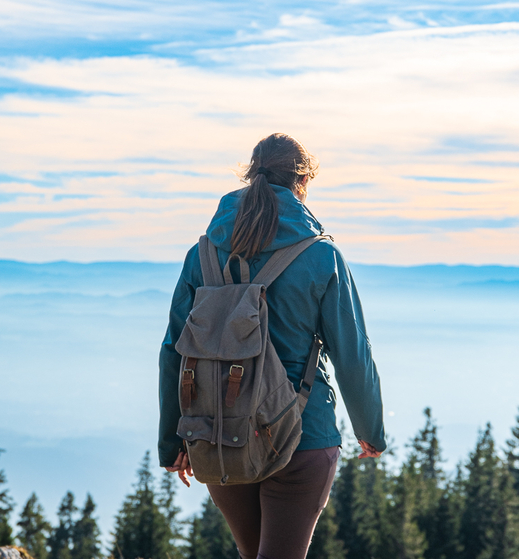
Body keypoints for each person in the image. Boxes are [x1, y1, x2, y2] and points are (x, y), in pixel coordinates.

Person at [157, 133, 386, 559]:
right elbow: (353, 355)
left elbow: (174, 350)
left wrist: (173, 442)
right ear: (303, 181)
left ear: (250, 174)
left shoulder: (202, 253)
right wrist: (370, 431)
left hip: (218, 434)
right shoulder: (321, 256)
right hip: (302, 434)